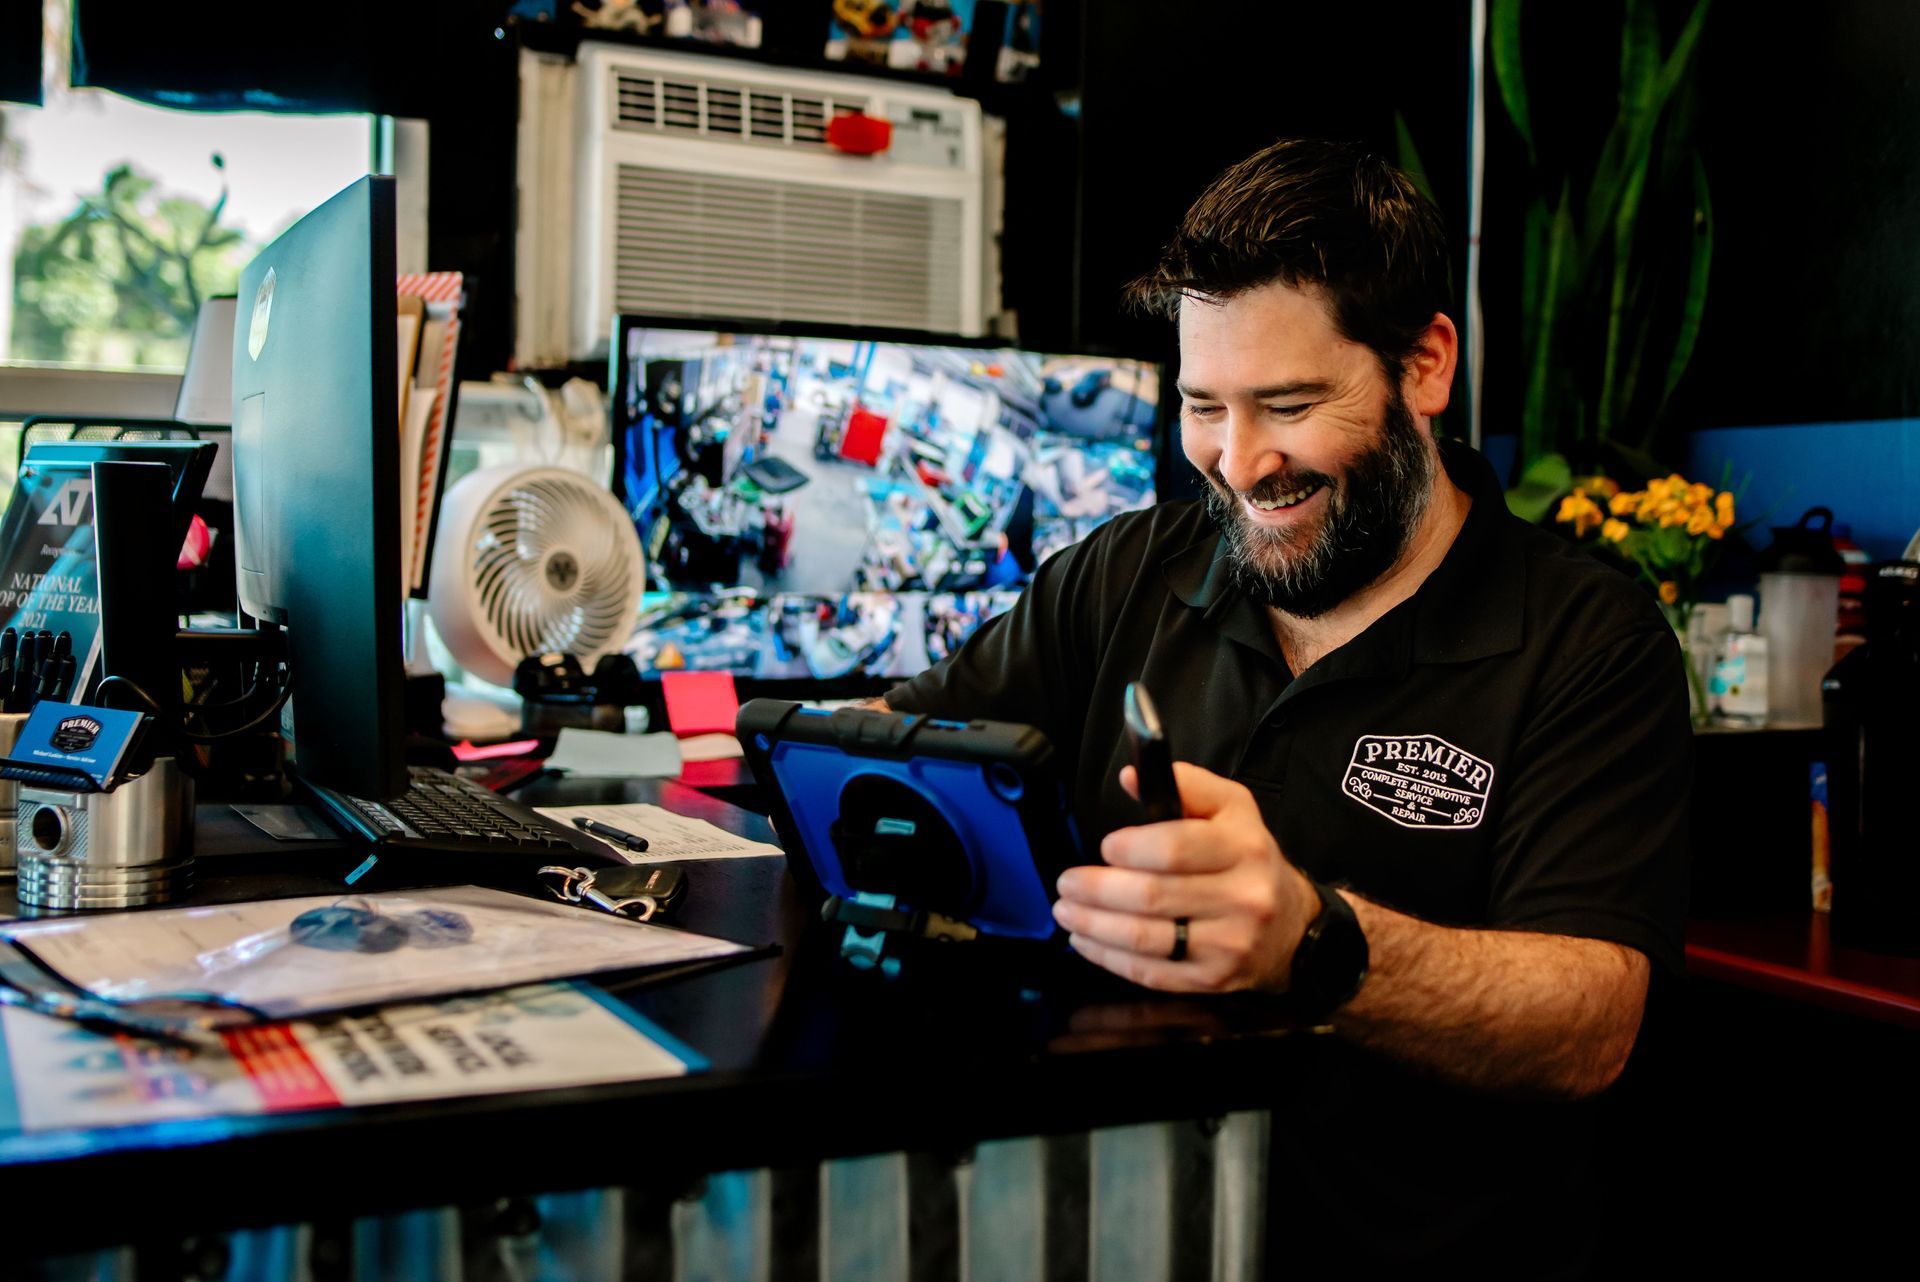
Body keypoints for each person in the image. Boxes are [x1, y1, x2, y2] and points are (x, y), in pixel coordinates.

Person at [879, 138, 1691, 1273]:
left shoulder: (1585, 641)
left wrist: (1316, 944)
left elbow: (1592, 1017)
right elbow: (897, 750)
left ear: (1425, 365)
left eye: (1291, 404)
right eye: (1203, 404)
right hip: (1119, 1230)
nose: (1240, 462)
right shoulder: (1124, 572)